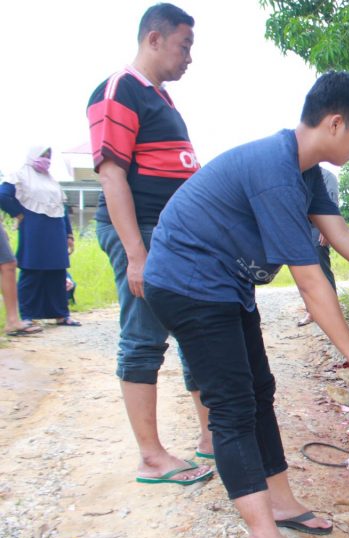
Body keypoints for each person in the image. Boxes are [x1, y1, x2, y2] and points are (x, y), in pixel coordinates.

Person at [143, 71, 349, 538]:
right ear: (336, 122)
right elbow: (311, 285)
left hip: (225, 284)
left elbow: (339, 234)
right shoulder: (276, 170)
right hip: (186, 283)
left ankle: (279, 503)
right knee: (232, 405)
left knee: (259, 389)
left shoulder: (307, 172)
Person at [86, 3, 213, 485]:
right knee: (143, 339)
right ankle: (152, 456)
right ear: (154, 40)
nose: (189, 58)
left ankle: (209, 438)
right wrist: (136, 253)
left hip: (173, 238)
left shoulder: (162, 99)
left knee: (193, 332)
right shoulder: (120, 88)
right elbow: (112, 173)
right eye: (184, 46)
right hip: (141, 233)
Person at [0, 146, 80, 329]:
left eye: (48, 156)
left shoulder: (51, 181)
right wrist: (18, 213)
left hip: (56, 229)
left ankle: (61, 314)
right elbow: (2, 196)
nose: (45, 159)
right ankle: (28, 315)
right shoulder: (19, 175)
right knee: (32, 269)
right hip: (34, 228)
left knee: (57, 270)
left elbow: (62, 207)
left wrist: (68, 234)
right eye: (42, 155)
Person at [297, 169, 340, 327]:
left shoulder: (327, 176)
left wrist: (326, 230)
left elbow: (332, 204)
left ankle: (332, 311)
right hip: (299, 227)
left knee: (322, 268)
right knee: (302, 272)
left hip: (318, 227)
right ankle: (312, 311)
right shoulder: (294, 173)